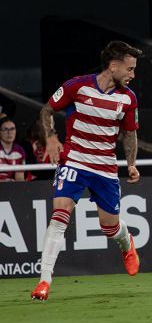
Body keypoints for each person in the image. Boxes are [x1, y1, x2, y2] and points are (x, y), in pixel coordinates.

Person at [31, 41, 143, 301]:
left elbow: (129, 134)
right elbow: (46, 110)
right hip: (74, 161)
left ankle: (127, 244)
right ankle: (44, 282)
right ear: (113, 66)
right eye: (130, 68)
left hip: (104, 167)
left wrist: (131, 163)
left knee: (109, 227)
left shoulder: (128, 98)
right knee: (60, 215)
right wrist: (50, 138)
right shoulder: (77, 86)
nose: (133, 75)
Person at [0, 117, 27, 182]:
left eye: (12, 129)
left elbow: (19, 178)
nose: (9, 132)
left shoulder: (20, 151)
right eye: (5, 129)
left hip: (9, 187)